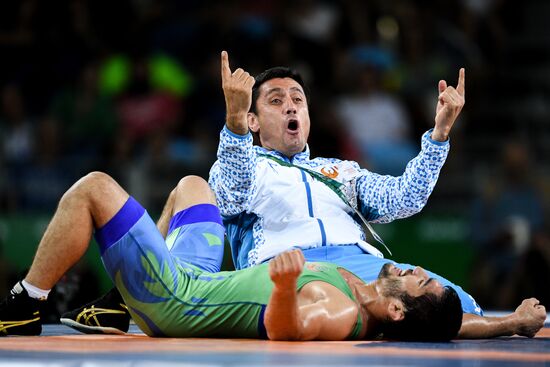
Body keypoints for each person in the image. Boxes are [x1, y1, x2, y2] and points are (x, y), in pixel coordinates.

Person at [62, 51, 546, 339]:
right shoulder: (246, 162)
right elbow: (224, 196)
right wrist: (233, 127)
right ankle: (127, 296)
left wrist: (439, 135)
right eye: (275, 101)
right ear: (255, 120)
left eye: (298, 99)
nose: (290, 106)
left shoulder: (341, 171)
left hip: (363, 266)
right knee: (193, 192)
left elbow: (404, 199)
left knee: (453, 300)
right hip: (293, 267)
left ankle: (505, 324)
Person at [0, 173, 464, 341]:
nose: (418, 270)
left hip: (176, 300)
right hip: (197, 279)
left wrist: (284, 288)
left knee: (96, 188)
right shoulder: (361, 290)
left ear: (398, 309)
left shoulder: (339, 309)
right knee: (192, 186)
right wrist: (509, 324)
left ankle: (26, 303)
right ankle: (118, 305)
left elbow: (291, 330)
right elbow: (455, 325)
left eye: (421, 281)